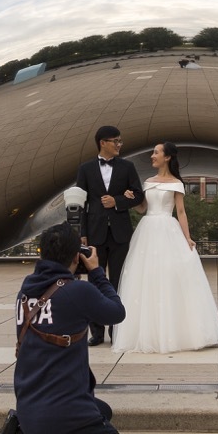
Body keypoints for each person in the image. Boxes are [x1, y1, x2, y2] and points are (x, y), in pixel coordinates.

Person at [10, 223, 143, 434]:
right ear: (76, 256)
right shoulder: (76, 291)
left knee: (102, 409)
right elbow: (117, 312)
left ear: (42, 255)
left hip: (29, 408)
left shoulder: (26, 291)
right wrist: (95, 272)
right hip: (65, 414)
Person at [111, 142, 218, 354]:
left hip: (167, 229)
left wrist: (188, 237)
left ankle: (177, 332)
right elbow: (142, 208)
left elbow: (180, 212)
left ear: (167, 157)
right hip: (147, 230)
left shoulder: (176, 184)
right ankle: (149, 333)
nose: (152, 156)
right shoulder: (147, 182)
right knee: (146, 278)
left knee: (169, 277)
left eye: (156, 152)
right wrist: (131, 200)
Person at [75, 125, 144, 346]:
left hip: (120, 233)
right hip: (94, 234)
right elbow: (80, 203)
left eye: (120, 141)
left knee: (118, 281)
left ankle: (117, 331)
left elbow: (139, 196)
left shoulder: (127, 167)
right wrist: (82, 234)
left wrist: (118, 202)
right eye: (115, 141)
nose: (119, 145)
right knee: (95, 282)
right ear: (102, 142)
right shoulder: (85, 169)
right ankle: (96, 332)